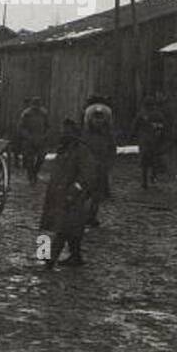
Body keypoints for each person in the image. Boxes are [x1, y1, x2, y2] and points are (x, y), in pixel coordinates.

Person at [40, 118, 93, 267]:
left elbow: (87, 175)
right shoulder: (63, 149)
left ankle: (48, 259)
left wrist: (74, 191)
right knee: (53, 227)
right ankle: (75, 256)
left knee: (63, 228)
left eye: (67, 132)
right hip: (56, 195)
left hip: (71, 196)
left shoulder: (82, 151)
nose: (63, 134)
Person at [81, 97, 116, 226]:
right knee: (85, 192)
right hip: (87, 167)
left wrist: (109, 163)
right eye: (96, 118)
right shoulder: (85, 135)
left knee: (97, 194)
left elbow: (112, 149)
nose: (98, 121)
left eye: (101, 118)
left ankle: (92, 216)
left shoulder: (108, 136)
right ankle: (82, 214)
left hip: (101, 167)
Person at [133, 94, 167, 189]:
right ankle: (152, 177)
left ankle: (145, 181)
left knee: (144, 162)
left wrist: (133, 136)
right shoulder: (158, 114)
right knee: (154, 160)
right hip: (155, 140)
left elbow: (135, 126)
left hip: (144, 141)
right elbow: (164, 126)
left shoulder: (141, 114)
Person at [17, 97, 50, 184]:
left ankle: (35, 172)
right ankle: (31, 176)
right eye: (35, 105)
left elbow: (48, 126)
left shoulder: (44, 114)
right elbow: (21, 127)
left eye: (38, 105)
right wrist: (27, 136)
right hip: (29, 140)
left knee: (41, 158)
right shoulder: (26, 114)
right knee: (29, 159)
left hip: (41, 139)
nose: (36, 107)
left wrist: (45, 135)